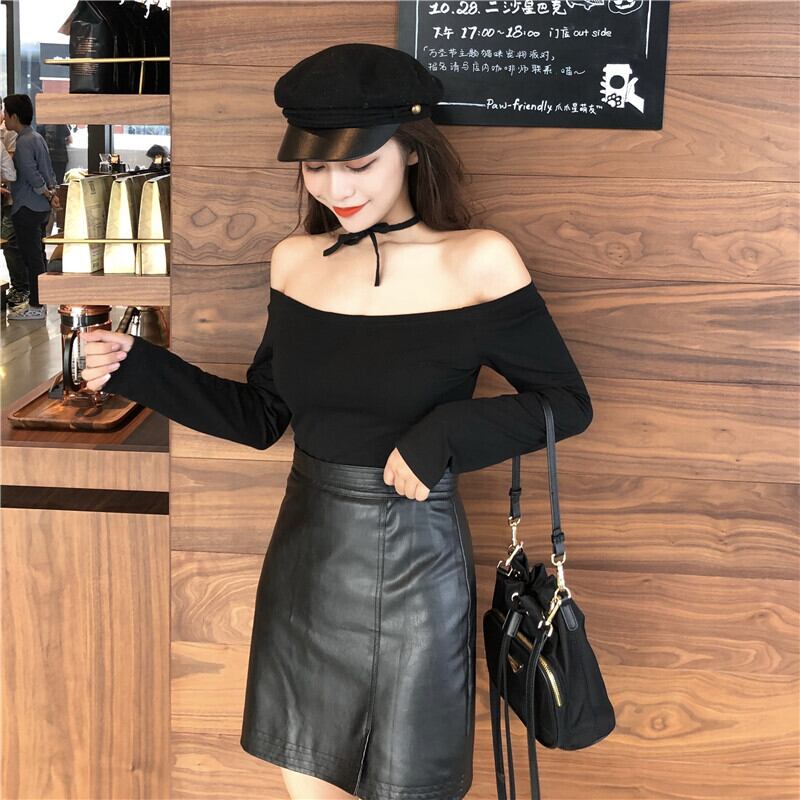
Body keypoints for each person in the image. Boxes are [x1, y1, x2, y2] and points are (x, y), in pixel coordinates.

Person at [79, 44, 593, 800]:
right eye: (316, 167)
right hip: (306, 558)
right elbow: (264, 417)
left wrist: (443, 437)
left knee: (409, 783)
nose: (336, 187)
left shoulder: (478, 259)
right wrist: (138, 368)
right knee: (310, 787)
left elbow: (566, 405)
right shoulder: (295, 260)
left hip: (416, 562)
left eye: (359, 164)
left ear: (411, 150)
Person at [3, 94, 61, 321]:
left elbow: (31, 173)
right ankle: (40, 301)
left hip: (27, 207)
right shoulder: (36, 137)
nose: (3, 117)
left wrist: (46, 193)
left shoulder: (24, 141)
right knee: (37, 255)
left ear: (14, 116)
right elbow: (48, 170)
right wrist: (52, 194)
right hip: (40, 208)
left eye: (5, 112)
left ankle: (37, 305)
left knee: (31, 257)